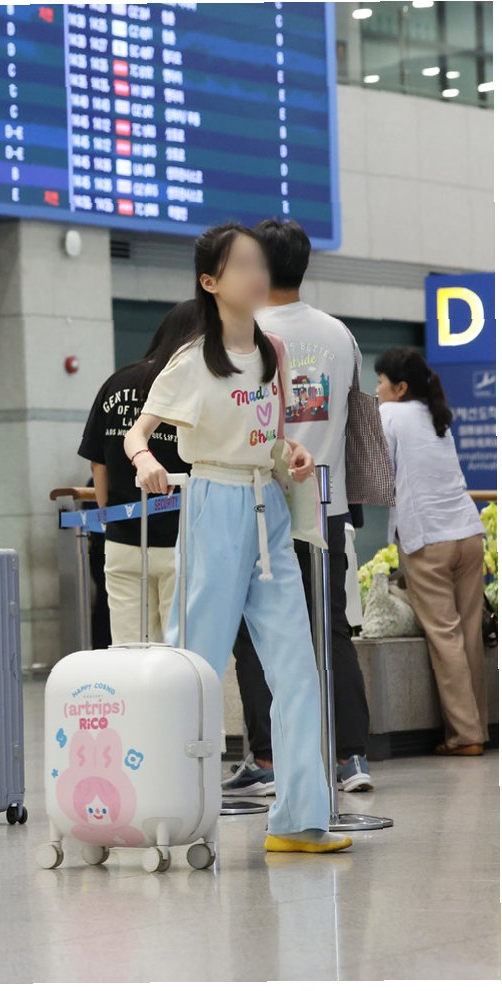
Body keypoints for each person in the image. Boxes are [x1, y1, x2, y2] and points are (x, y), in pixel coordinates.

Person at [126, 222, 351, 855]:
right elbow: (138, 431)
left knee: (298, 669)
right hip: (214, 505)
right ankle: (170, 812)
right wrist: (144, 460)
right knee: (194, 666)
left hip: (268, 508)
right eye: (241, 265)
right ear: (210, 282)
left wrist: (291, 454)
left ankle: (299, 819)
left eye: (259, 263)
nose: (257, 275)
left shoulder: (275, 351)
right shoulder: (192, 360)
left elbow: (270, 437)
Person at [224, 219, 374, 798]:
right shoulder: (340, 335)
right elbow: (358, 418)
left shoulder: (244, 330)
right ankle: (350, 755)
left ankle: (267, 758)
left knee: (255, 630)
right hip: (326, 504)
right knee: (329, 627)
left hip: (260, 505)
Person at [377, 347, 489, 756]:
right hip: (467, 534)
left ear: (400, 387)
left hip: (428, 538)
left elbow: (379, 473)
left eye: (381, 382)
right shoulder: (435, 414)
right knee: (469, 634)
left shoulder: (390, 414)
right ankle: (479, 727)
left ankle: (465, 736)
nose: (377, 388)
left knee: (445, 636)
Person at [79, 300, 196, 644]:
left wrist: (109, 517)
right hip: (180, 540)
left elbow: (97, 462)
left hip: (121, 540)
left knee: (128, 648)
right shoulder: (187, 386)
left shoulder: (116, 382)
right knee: (180, 650)